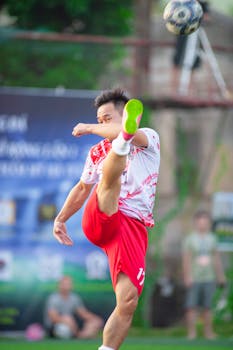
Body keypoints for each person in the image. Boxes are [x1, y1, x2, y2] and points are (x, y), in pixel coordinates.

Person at [53, 88, 160, 350]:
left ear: (126, 116)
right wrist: (60, 219)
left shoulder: (150, 138)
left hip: (131, 228)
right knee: (109, 185)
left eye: (107, 118)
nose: (101, 124)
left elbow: (131, 131)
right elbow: (81, 189)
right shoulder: (96, 152)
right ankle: (120, 146)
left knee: (128, 301)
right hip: (103, 216)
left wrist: (91, 127)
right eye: (99, 120)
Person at [182, 210, 226, 340]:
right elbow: (186, 259)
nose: (203, 225)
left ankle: (209, 333)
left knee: (208, 307)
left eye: (205, 222)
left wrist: (220, 276)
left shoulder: (213, 238)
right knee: (191, 306)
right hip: (194, 277)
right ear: (196, 223)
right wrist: (187, 276)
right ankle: (192, 333)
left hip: (209, 277)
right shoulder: (190, 239)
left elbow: (216, 258)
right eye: (200, 222)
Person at [171, 0, 210, 94]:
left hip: (195, 36)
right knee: (177, 61)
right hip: (183, 35)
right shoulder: (182, 2)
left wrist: (197, 15)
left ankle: (190, 90)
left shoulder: (202, 4)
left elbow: (207, 18)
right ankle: (174, 89)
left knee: (193, 62)